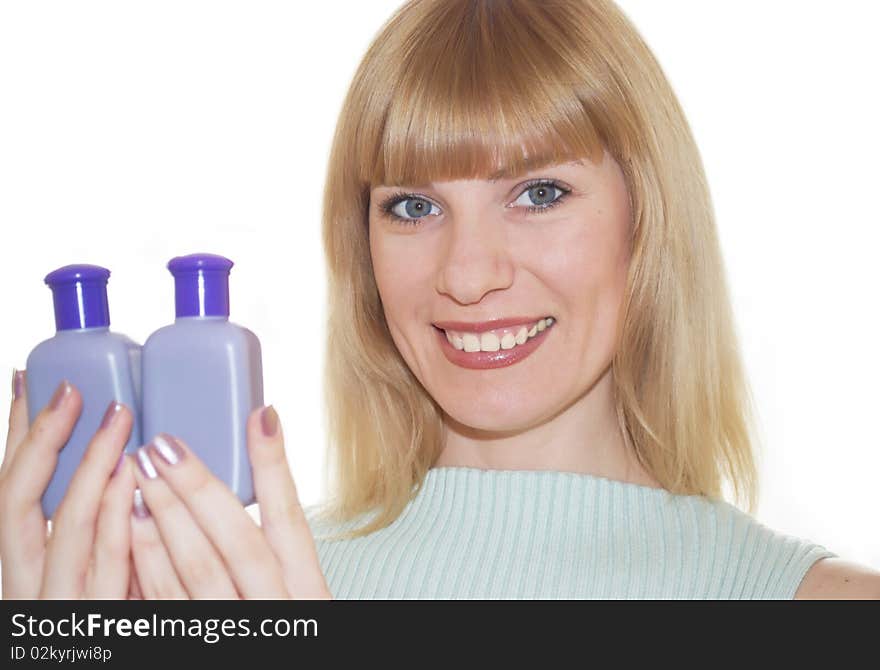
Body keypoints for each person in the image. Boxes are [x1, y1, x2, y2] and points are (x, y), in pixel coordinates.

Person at [1, 0, 877, 600]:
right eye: (413, 207)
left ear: (648, 217)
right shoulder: (226, 587)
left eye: (538, 193)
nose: (466, 275)